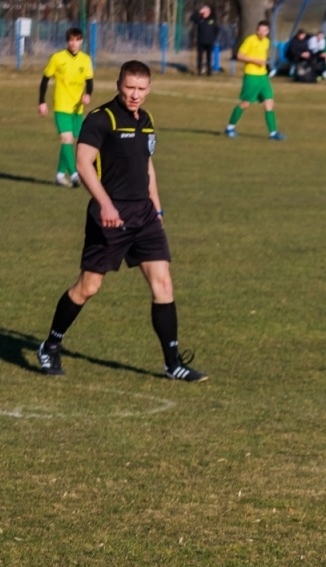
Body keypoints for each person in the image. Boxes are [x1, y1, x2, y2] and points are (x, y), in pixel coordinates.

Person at [37, 61, 207, 383]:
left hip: (144, 215)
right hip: (110, 216)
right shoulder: (101, 119)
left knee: (163, 284)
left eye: (141, 89)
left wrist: (157, 211)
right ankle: (50, 345)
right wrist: (105, 204)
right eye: (130, 87)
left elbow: (147, 166)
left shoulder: (147, 120)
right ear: (118, 85)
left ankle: (172, 363)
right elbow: (82, 163)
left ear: (149, 89)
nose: (135, 95)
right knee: (89, 286)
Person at [38, 28, 93, 187]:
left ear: (81, 41)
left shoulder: (86, 59)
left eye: (76, 40)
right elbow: (45, 80)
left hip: (77, 109)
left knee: (69, 142)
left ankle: (60, 175)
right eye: (70, 40)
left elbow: (89, 81)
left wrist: (88, 94)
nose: (73, 43)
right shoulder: (57, 58)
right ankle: (75, 174)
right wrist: (42, 102)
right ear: (67, 41)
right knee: (66, 139)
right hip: (61, 106)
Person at [226, 21, 286, 139]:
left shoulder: (267, 42)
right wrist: (255, 61)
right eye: (260, 30)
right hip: (251, 76)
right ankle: (229, 128)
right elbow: (239, 56)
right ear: (257, 30)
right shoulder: (250, 40)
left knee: (269, 102)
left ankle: (273, 133)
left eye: (264, 30)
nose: (262, 32)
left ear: (268, 31)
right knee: (245, 104)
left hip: (263, 77)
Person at [190, 5, 219, 75]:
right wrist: (199, 12)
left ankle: (209, 71)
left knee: (209, 57)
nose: (204, 13)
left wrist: (213, 37)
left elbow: (217, 29)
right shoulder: (199, 19)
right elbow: (192, 18)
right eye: (203, 12)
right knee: (200, 57)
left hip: (210, 41)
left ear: (209, 12)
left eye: (205, 11)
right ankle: (199, 70)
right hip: (201, 41)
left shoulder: (212, 19)